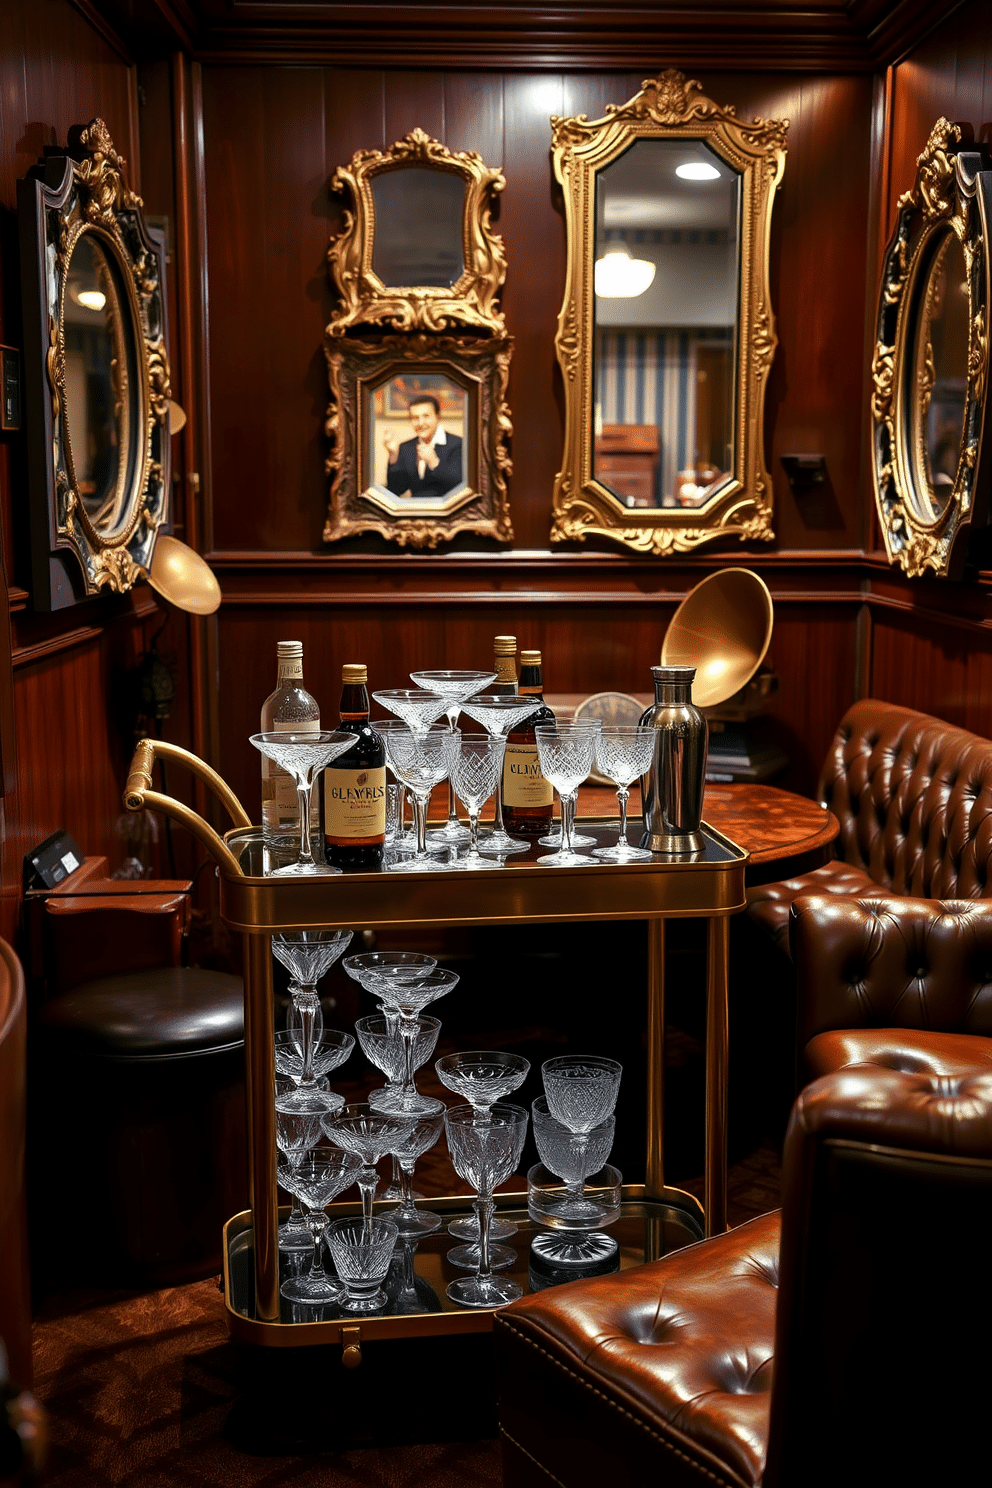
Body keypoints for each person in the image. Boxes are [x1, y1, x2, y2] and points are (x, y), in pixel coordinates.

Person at [384, 395, 464, 498]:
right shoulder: (406, 447)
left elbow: (461, 487)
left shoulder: (458, 444)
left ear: (437, 417)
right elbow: (395, 489)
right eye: (415, 418)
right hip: (416, 511)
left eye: (426, 416)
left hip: (451, 511)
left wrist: (434, 463)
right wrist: (393, 457)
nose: (421, 423)